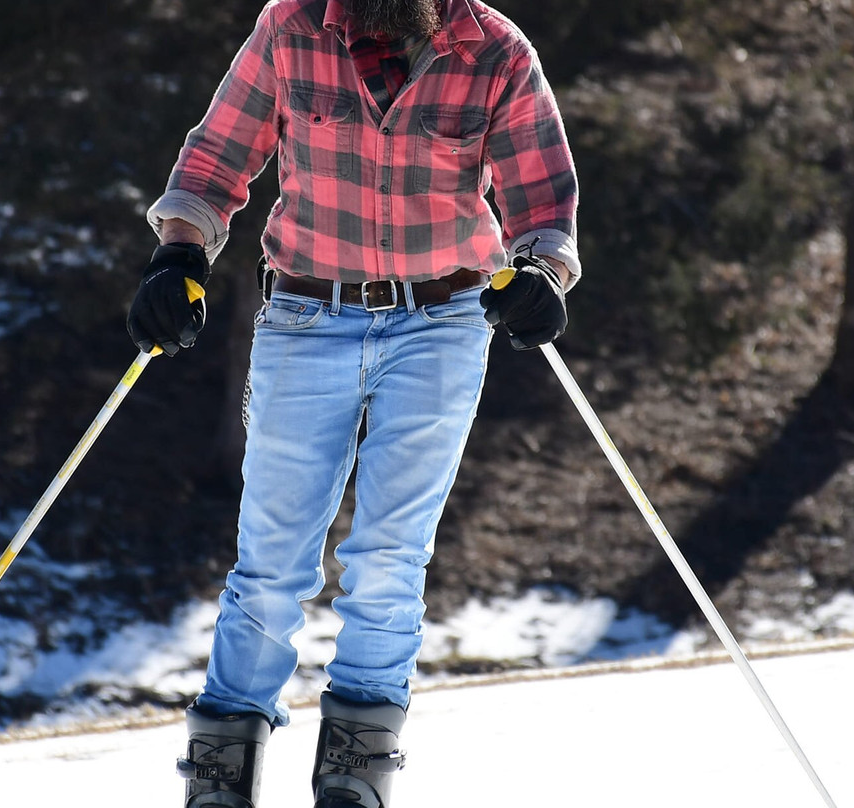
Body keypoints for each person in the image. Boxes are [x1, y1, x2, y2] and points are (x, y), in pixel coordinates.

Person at [126, 0, 580, 806]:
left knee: (389, 559)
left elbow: (542, 202)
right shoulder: (292, 28)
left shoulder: (495, 50)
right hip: (308, 315)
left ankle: (356, 773)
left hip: (441, 321)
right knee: (272, 562)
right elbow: (216, 160)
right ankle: (222, 770)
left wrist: (541, 271)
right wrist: (179, 254)